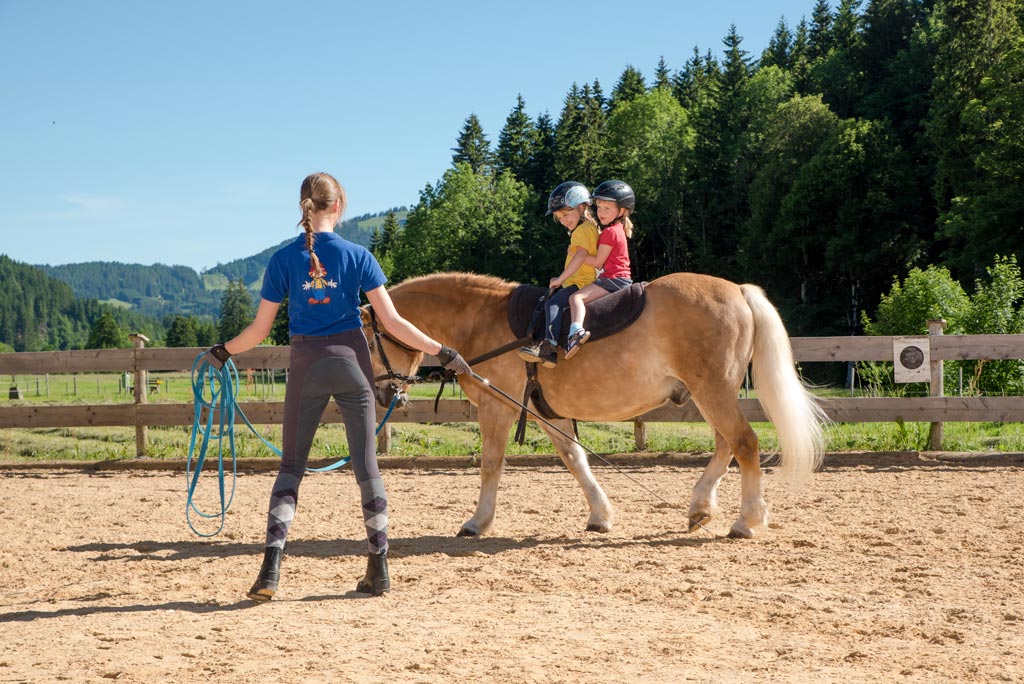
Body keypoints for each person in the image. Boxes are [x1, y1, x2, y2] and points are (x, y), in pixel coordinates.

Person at [205, 172, 471, 602]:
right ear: (339, 206)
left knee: (291, 467)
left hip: (307, 364)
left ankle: (270, 570)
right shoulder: (358, 255)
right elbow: (393, 323)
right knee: (367, 468)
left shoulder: (282, 260)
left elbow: (257, 331)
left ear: (303, 208)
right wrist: (444, 351)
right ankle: (379, 569)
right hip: (351, 364)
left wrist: (222, 352)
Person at [518, 181, 599, 367]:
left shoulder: (583, 230)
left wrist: (560, 279)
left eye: (565, 214)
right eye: (558, 217)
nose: (563, 220)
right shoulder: (588, 228)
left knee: (553, 303)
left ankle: (548, 348)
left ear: (581, 207)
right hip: (579, 280)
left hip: (580, 282)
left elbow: (580, 258)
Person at [563, 180, 635, 360]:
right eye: (599, 207)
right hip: (620, 277)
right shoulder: (617, 229)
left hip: (613, 279)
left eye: (607, 209)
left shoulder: (610, 233)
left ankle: (575, 333)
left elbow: (597, 262)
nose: (601, 212)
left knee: (576, 297)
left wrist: (574, 253)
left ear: (622, 211)